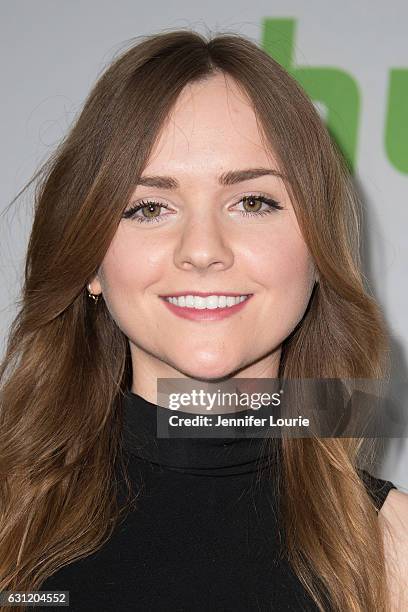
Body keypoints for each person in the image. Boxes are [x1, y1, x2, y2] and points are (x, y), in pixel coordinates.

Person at [0, 29, 407, 612]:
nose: (202, 249)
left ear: (319, 252)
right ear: (90, 261)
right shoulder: (8, 526)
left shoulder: (394, 552)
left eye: (252, 202)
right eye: (149, 207)